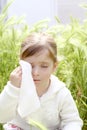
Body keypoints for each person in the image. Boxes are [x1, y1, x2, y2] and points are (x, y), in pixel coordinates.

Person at [0, 32, 83, 130]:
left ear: (54, 66)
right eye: (30, 65)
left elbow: (72, 121)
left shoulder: (60, 93)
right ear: (21, 63)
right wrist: (12, 88)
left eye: (44, 66)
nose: (36, 72)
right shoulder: (16, 87)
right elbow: (2, 116)